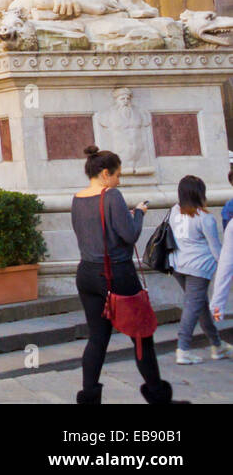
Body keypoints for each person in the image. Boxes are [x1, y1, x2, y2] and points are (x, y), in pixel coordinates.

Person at [70, 146, 173, 403]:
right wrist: (138, 213)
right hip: (116, 273)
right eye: (117, 174)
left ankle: (89, 398)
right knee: (141, 335)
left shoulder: (77, 198)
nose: (119, 180)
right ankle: (159, 397)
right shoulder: (112, 196)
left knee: (97, 338)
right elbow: (130, 235)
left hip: (86, 273)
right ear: (105, 173)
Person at [168, 175, 227, 364]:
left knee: (200, 305)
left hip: (178, 264)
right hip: (199, 267)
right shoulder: (205, 218)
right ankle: (183, 349)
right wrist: (226, 266)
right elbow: (215, 248)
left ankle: (217, 345)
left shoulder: (174, 211)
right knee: (193, 307)